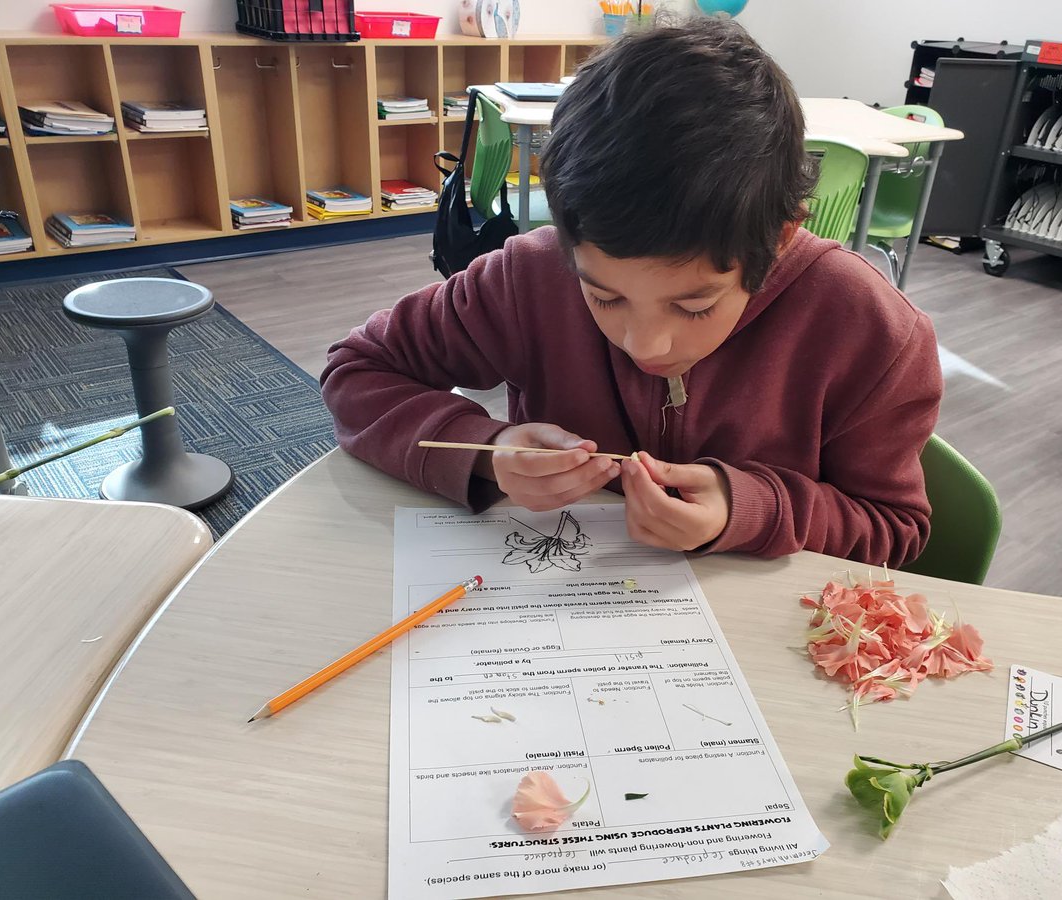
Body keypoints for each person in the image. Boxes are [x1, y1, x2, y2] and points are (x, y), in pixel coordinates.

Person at [321, 18, 942, 565]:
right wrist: (489, 448)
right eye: (604, 296)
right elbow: (356, 369)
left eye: (695, 304)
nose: (644, 343)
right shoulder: (529, 277)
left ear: (780, 239)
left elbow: (894, 528)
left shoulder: (871, 330)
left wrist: (745, 508)